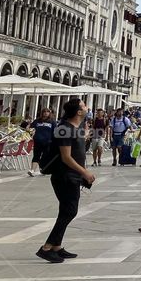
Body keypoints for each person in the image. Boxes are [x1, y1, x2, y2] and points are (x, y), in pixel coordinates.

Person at [36, 98, 95, 263]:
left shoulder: (75, 128)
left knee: (65, 211)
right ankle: (46, 247)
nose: (87, 107)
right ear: (78, 111)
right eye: (84, 105)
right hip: (65, 176)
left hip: (71, 176)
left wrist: (85, 135)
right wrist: (85, 173)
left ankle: (57, 246)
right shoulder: (65, 129)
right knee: (70, 211)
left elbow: (77, 150)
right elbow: (66, 157)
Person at [28, 108, 55, 176]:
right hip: (38, 141)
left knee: (45, 156)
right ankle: (32, 170)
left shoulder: (52, 122)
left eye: (47, 112)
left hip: (48, 142)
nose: (46, 113)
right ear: (42, 113)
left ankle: (43, 168)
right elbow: (30, 127)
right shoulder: (37, 121)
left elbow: (55, 131)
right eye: (44, 112)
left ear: (49, 113)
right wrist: (28, 128)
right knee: (36, 156)